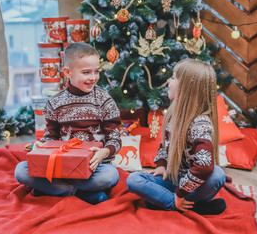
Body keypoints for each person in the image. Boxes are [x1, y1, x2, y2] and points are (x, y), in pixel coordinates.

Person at [15, 42, 121, 204]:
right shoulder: (55, 103)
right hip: (61, 166)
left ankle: (54, 190)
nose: (93, 77)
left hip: (94, 168)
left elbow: (115, 139)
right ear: (68, 73)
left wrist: (104, 153)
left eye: (96, 71)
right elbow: (51, 137)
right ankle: (79, 194)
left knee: (111, 176)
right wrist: (40, 147)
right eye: (86, 72)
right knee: (21, 171)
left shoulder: (104, 100)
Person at [126, 59, 226, 214]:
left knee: (217, 175)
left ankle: (167, 201)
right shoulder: (173, 115)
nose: (168, 80)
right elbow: (165, 145)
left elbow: (204, 166)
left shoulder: (200, 123)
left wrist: (180, 194)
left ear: (186, 87)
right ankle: (190, 206)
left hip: (193, 185)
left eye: (173, 77)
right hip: (172, 179)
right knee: (133, 180)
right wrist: (161, 165)